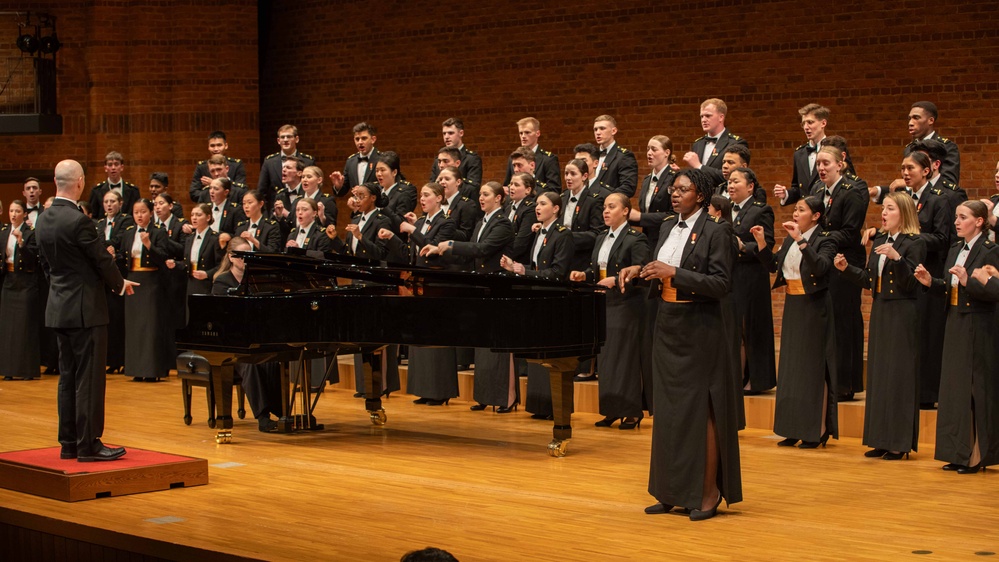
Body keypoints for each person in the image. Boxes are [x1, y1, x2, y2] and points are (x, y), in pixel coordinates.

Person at [620, 168, 740, 520]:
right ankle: (670, 490)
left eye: (683, 189)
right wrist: (639, 272)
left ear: (700, 196)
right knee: (669, 412)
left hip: (700, 329)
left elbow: (721, 283)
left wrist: (675, 274)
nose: (675, 194)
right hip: (667, 326)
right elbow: (663, 271)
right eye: (673, 189)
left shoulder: (717, 231)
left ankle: (706, 493)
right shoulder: (667, 228)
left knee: (700, 413)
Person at [35, 159, 138, 462]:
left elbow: (45, 264)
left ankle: (68, 443)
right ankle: (89, 444)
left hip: (58, 307)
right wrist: (119, 284)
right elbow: (100, 259)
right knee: (89, 379)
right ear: (79, 182)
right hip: (85, 310)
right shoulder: (79, 221)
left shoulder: (43, 219)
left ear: (56, 181)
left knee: (67, 377)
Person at [835, 192, 925, 459]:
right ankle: (880, 438)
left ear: (904, 213)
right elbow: (869, 279)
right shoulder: (882, 242)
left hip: (903, 312)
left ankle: (899, 442)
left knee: (898, 376)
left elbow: (911, 283)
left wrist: (898, 259)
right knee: (879, 374)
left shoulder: (914, 242)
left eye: (890, 209)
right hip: (881, 310)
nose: (883, 214)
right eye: (883, 209)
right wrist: (845, 269)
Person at [915, 200, 999, 474]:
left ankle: (975, 455)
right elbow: (948, 287)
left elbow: (994, 293)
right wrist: (931, 282)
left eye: (963, 217)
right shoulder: (954, 249)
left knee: (974, 388)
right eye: (956, 217)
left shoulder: (991, 251)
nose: (957, 222)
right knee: (954, 389)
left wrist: (968, 281)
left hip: (978, 324)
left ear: (979, 221)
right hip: (953, 322)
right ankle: (957, 452)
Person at [753, 195, 838, 449]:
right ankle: (792, 427)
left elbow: (821, 267)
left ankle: (816, 430)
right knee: (791, 369)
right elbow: (775, 266)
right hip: (793, 305)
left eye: (801, 210)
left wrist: (801, 240)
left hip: (814, 307)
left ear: (816, 216)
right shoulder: (791, 239)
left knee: (812, 368)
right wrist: (761, 243)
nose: (796, 213)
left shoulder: (826, 239)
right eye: (796, 209)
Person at [423, 182, 516, 411]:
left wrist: (451, 244)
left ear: (499, 198)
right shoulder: (481, 222)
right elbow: (469, 256)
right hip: (481, 287)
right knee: (482, 345)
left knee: (498, 345)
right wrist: (439, 252)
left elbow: (482, 249)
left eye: (486, 194)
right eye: (480, 194)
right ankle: (485, 396)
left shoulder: (503, 223)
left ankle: (505, 398)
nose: (481, 198)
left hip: (498, 288)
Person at [571, 193, 648, 429]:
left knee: (624, 358)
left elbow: (642, 272)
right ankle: (611, 409)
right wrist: (585, 274)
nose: (606, 211)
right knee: (606, 359)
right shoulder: (601, 237)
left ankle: (632, 411)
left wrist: (617, 280)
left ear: (625, 211)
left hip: (627, 303)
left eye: (611, 207)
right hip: (604, 302)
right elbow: (597, 268)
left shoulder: (636, 239)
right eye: (604, 207)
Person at [380, 183, 459, 405]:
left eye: (426, 195)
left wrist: (412, 230)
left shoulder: (447, 222)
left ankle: (441, 391)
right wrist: (394, 237)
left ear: (439, 198)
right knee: (421, 336)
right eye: (421, 195)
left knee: (437, 337)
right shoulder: (422, 222)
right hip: (419, 285)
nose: (422, 199)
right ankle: (424, 389)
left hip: (437, 285)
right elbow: (411, 253)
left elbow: (431, 249)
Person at [500, 191, 574, 420]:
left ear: (556, 209)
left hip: (553, 301)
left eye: (543, 204)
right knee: (539, 356)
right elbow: (536, 265)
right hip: (537, 298)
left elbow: (558, 272)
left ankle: (554, 407)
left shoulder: (563, 234)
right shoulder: (539, 232)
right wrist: (515, 267)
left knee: (551, 358)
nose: (537, 207)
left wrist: (526, 271)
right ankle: (540, 405)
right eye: (537, 204)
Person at [727, 167, 777, 395]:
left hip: (751, 276)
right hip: (729, 275)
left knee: (749, 329)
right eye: (728, 181)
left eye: (735, 181)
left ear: (750, 187)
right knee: (733, 329)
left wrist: (742, 247)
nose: (730, 185)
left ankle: (753, 379)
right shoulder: (725, 211)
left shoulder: (761, 210)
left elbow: (766, 243)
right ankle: (734, 377)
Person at [117, 200, 171, 381]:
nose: (139, 216)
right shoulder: (128, 233)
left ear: (150, 213)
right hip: (133, 280)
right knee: (134, 327)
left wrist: (149, 245)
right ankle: (136, 370)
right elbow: (123, 257)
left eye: (143, 212)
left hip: (151, 282)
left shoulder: (158, 232)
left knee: (150, 327)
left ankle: (152, 371)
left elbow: (163, 257)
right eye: (136, 212)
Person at [0, 200, 41, 381]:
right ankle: (8, 369)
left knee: (24, 327)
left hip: (25, 282)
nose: (14, 214)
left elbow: (33, 259)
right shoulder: (3, 232)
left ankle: (26, 370)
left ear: (24, 214)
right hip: (9, 281)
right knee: (8, 327)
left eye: (17, 211)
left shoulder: (30, 233)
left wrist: (21, 243)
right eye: (11, 211)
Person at [96, 190, 133, 375]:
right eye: (106, 201)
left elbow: (120, 240)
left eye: (112, 201)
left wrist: (109, 246)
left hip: (120, 272)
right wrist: (106, 248)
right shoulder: (100, 223)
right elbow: (98, 241)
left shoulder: (125, 220)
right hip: (105, 276)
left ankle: (123, 359)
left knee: (120, 319)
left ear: (120, 203)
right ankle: (112, 360)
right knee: (109, 319)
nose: (109, 205)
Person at [153, 193, 188, 373]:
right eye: (155, 204)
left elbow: (184, 249)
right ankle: (164, 359)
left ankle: (178, 359)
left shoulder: (181, 225)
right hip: (160, 277)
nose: (158, 207)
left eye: (161, 203)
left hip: (177, 277)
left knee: (175, 318)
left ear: (170, 205)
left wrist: (164, 239)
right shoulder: (154, 226)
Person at [560, 158, 607, 272]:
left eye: (573, 174)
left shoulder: (594, 200)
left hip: (582, 257)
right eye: (566, 173)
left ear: (584, 176)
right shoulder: (562, 197)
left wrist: (568, 237)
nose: (568, 178)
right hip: (561, 256)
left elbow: (596, 234)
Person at [630, 135, 677, 245]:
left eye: (654, 149)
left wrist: (640, 216)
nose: (649, 153)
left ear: (667, 152)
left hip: (666, 239)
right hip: (648, 239)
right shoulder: (647, 180)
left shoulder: (674, 178)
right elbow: (645, 214)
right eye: (648, 149)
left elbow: (674, 215)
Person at [258, 124, 315, 211]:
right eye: (282, 137)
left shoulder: (308, 161)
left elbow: (313, 188)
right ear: (278, 140)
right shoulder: (269, 162)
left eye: (289, 137)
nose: (285, 140)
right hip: (276, 211)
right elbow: (262, 191)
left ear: (297, 139)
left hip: (302, 210)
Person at [904, 101, 960, 185]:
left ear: (930, 120)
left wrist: (909, 183)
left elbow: (948, 183)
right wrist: (879, 190)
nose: (910, 123)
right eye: (909, 118)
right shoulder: (909, 148)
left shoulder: (947, 147)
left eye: (916, 118)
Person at [684, 98, 749, 170]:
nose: (703, 120)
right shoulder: (697, 144)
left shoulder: (736, 143)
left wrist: (699, 166)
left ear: (721, 117)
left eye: (708, 116)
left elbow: (733, 175)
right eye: (702, 116)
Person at [502, 117, 560, 191]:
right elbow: (507, 185)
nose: (523, 136)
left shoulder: (548, 159)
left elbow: (554, 190)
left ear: (537, 133)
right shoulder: (513, 158)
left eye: (527, 132)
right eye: (521, 133)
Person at [189, 131, 246, 203]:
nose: (216, 149)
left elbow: (241, 190)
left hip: (231, 204)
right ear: (208, 147)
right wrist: (209, 196)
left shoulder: (236, 164)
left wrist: (214, 184)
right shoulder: (202, 166)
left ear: (226, 146)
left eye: (219, 145)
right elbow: (193, 193)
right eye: (212, 146)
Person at [590, 114, 638, 196]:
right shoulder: (592, 155)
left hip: (609, 205)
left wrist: (604, 198)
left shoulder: (624, 156)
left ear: (614, 131)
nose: (598, 132)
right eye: (595, 129)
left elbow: (628, 188)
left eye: (602, 128)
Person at [429, 117, 482, 190]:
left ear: (461, 133)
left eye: (451, 133)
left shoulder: (471, 159)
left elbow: (473, 188)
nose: (446, 137)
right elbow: (432, 186)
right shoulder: (437, 160)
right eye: (444, 133)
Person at [329, 122, 380, 197]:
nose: (360, 142)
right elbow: (343, 191)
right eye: (357, 139)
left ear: (373, 139)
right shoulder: (351, 161)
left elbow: (387, 185)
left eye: (364, 138)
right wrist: (338, 186)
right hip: (357, 207)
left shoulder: (382, 159)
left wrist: (365, 190)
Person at [183, 203, 223, 295]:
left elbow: (222, 265)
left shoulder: (215, 238)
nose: (194, 218)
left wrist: (207, 274)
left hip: (207, 284)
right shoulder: (189, 238)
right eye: (192, 215)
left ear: (208, 217)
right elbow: (186, 262)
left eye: (198, 215)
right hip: (191, 283)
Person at [373, 151, 418, 234]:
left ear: (394, 172)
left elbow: (401, 223)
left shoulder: (403, 192)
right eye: (377, 170)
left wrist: (382, 206)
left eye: (382, 170)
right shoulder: (376, 190)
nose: (379, 174)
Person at [88, 151, 140, 220]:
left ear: (122, 167)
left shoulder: (133, 190)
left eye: (116, 164)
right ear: (105, 168)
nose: (113, 168)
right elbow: (93, 216)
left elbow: (137, 213)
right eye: (110, 165)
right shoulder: (96, 191)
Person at [503, 172, 539, 263]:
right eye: (511, 184)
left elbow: (521, 243)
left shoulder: (530, 209)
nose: (511, 187)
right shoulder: (508, 207)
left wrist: (501, 256)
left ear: (528, 190)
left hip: (520, 261)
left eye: (516, 185)